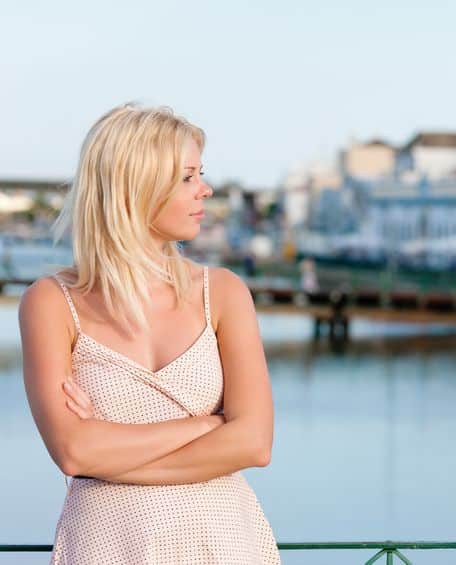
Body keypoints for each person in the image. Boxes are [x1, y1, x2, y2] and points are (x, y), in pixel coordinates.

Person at [18, 105, 281, 564]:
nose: (206, 189)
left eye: (202, 173)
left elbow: (254, 443)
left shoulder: (222, 293)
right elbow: (74, 452)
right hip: (108, 547)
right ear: (134, 187)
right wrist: (208, 424)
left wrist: (113, 458)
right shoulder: (51, 303)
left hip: (223, 542)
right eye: (187, 177)